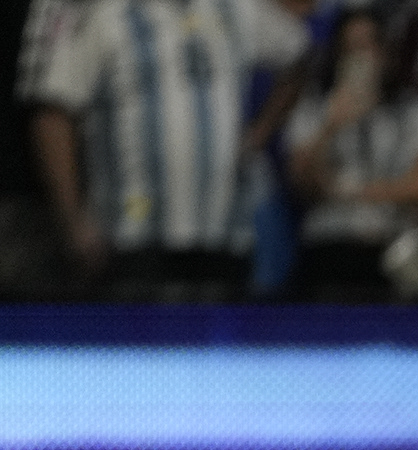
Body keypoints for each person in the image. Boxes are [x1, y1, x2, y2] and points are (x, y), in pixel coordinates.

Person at [31, 0, 307, 297]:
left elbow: (300, 54)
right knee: (138, 324)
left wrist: (259, 134)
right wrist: (72, 219)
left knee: (218, 324)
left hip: (224, 234)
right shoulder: (102, 12)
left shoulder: (236, 8)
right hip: (131, 233)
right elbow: (53, 110)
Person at [285, 8, 418, 300]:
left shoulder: (415, 109)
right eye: (349, 48)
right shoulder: (314, 108)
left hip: (396, 242)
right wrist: (330, 127)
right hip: (332, 243)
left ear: (385, 52)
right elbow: (303, 184)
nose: (359, 57)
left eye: (367, 45)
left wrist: (351, 191)